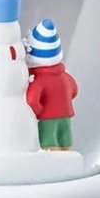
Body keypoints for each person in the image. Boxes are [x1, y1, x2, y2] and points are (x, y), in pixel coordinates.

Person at [25, 19, 78, 150]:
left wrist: (38, 112)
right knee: (65, 143)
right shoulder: (65, 76)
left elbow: (31, 100)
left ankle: (55, 158)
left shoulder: (39, 81)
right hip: (66, 117)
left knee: (50, 145)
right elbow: (74, 90)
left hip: (48, 118)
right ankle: (67, 155)